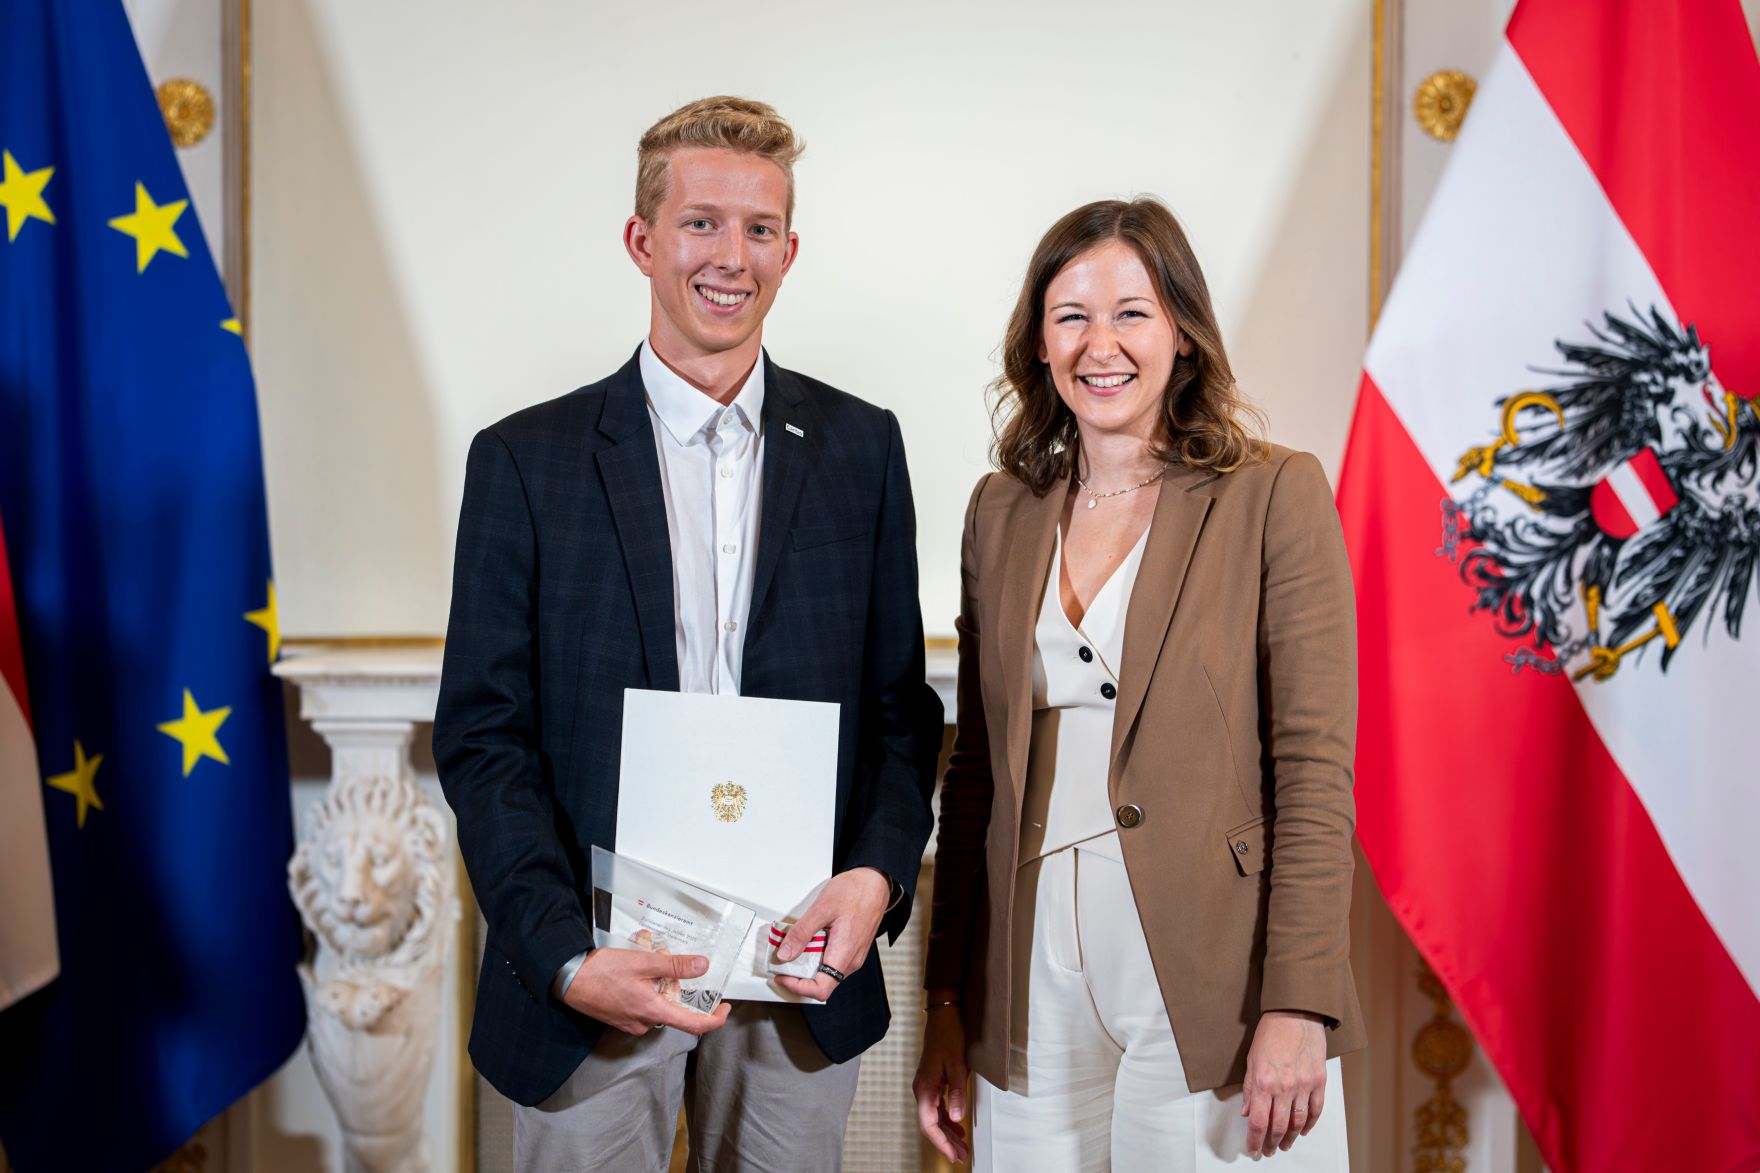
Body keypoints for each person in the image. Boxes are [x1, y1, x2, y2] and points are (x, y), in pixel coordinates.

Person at [434, 96, 943, 1172]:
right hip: (596, 970)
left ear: (790, 250)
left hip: (797, 968)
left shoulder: (860, 450)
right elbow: (482, 738)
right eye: (701, 222)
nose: (731, 256)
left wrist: (875, 879)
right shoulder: (524, 461)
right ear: (642, 240)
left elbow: (903, 714)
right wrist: (565, 957)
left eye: (759, 229)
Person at [912, 197, 1364, 1170]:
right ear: (1036, 343)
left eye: (1131, 311)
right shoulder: (999, 511)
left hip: (1215, 970)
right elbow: (975, 775)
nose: (1098, 343)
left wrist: (1298, 999)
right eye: (1069, 315)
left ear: (1183, 335)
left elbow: (1314, 770)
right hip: (1025, 975)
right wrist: (945, 1003)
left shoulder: (1270, 495)